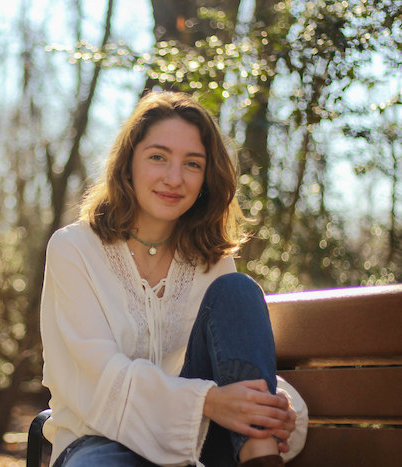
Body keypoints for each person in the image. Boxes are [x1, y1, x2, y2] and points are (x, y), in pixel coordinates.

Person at [39, 91, 308, 467]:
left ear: (206, 178)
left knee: (238, 290)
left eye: (193, 164)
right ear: (128, 162)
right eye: (158, 157)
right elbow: (96, 377)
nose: (174, 178)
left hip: (199, 444)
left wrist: (272, 407)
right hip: (100, 441)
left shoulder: (211, 262)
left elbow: (235, 368)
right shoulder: (74, 249)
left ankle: (259, 456)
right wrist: (208, 402)